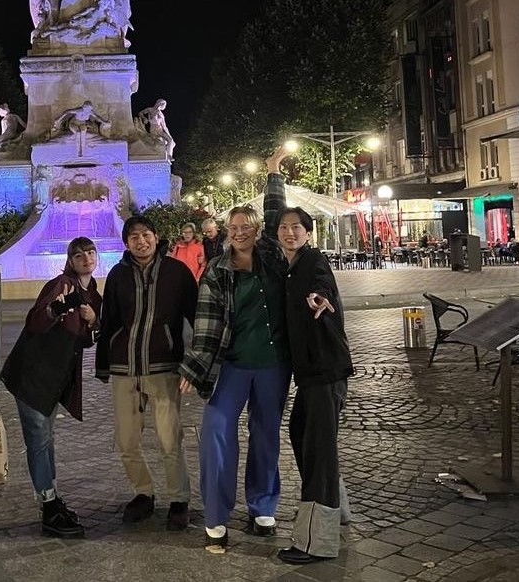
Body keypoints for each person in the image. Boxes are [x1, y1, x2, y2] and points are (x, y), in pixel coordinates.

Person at [178, 148, 292, 554]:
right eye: (233, 226)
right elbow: (206, 324)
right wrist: (194, 367)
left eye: (246, 226)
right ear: (227, 231)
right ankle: (216, 514)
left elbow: (277, 215)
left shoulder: (273, 257)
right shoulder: (218, 269)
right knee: (216, 433)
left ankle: (263, 506)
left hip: (273, 364)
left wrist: (273, 174)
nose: (239, 232)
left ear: (257, 230)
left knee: (266, 434)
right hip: (231, 365)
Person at [95, 215, 198, 531]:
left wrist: (194, 364)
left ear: (156, 237)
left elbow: (195, 316)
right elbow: (109, 319)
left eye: (146, 234)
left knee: (170, 439)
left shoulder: (177, 272)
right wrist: (104, 363)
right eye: (134, 237)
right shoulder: (118, 274)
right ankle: (143, 492)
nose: (141, 241)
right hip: (125, 369)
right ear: (126, 243)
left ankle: (179, 498)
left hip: (163, 367)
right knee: (126, 440)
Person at [0, 237, 102, 538]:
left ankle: (51, 499)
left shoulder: (92, 294)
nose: (86, 258)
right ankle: (48, 505)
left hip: (54, 377)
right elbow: (35, 321)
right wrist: (56, 309)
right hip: (32, 373)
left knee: (46, 438)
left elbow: (85, 340)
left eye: (90, 253)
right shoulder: (61, 285)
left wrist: (93, 320)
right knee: (39, 439)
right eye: (79, 255)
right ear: (70, 260)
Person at [272, 205, 354, 565]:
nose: (289, 232)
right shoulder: (287, 266)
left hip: (325, 369)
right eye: (283, 227)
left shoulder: (314, 261)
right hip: (310, 373)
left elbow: (321, 285)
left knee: (318, 451)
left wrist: (320, 298)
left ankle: (316, 542)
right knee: (300, 432)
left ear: (308, 232)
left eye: (296, 227)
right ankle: (337, 509)